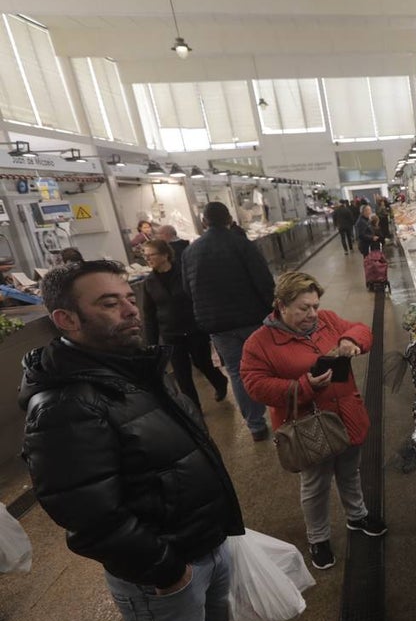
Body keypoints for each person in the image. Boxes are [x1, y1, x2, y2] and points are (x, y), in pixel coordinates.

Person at [18, 259, 277, 621]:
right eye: (108, 303)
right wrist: (164, 567)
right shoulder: (65, 404)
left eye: (129, 299)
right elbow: (85, 512)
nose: (130, 310)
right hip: (162, 572)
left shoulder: (136, 369)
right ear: (66, 320)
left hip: (202, 542)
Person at [240, 271, 386, 570]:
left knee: (349, 470)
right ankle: (318, 537)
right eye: (303, 308)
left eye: (315, 306)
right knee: (315, 484)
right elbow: (254, 384)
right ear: (281, 306)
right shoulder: (260, 343)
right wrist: (305, 386)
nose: (312, 314)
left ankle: (357, 515)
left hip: (346, 415)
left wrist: (349, 340)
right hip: (308, 428)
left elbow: (362, 330)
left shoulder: (328, 321)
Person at [182, 201, 274, 441]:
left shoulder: (190, 252)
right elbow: (263, 280)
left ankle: (255, 425)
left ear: (203, 222)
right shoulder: (241, 244)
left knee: (236, 372)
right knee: (263, 365)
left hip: (217, 324)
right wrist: (272, 308)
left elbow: (187, 290)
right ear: (230, 219)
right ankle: (278, 412)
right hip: (251, 318)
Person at [141, 239, 229, 411]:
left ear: (165, 255)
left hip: (194, 329)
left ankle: (220, 381)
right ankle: (194, 410)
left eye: (151, 255)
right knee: (182, 375)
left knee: (203, 364)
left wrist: (207, 321)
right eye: (145, 256)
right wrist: (151, 343)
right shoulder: (149, 283)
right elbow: (149, 314)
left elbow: (199, 299)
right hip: (171, 335)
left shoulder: (183, 274)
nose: (148, 259)